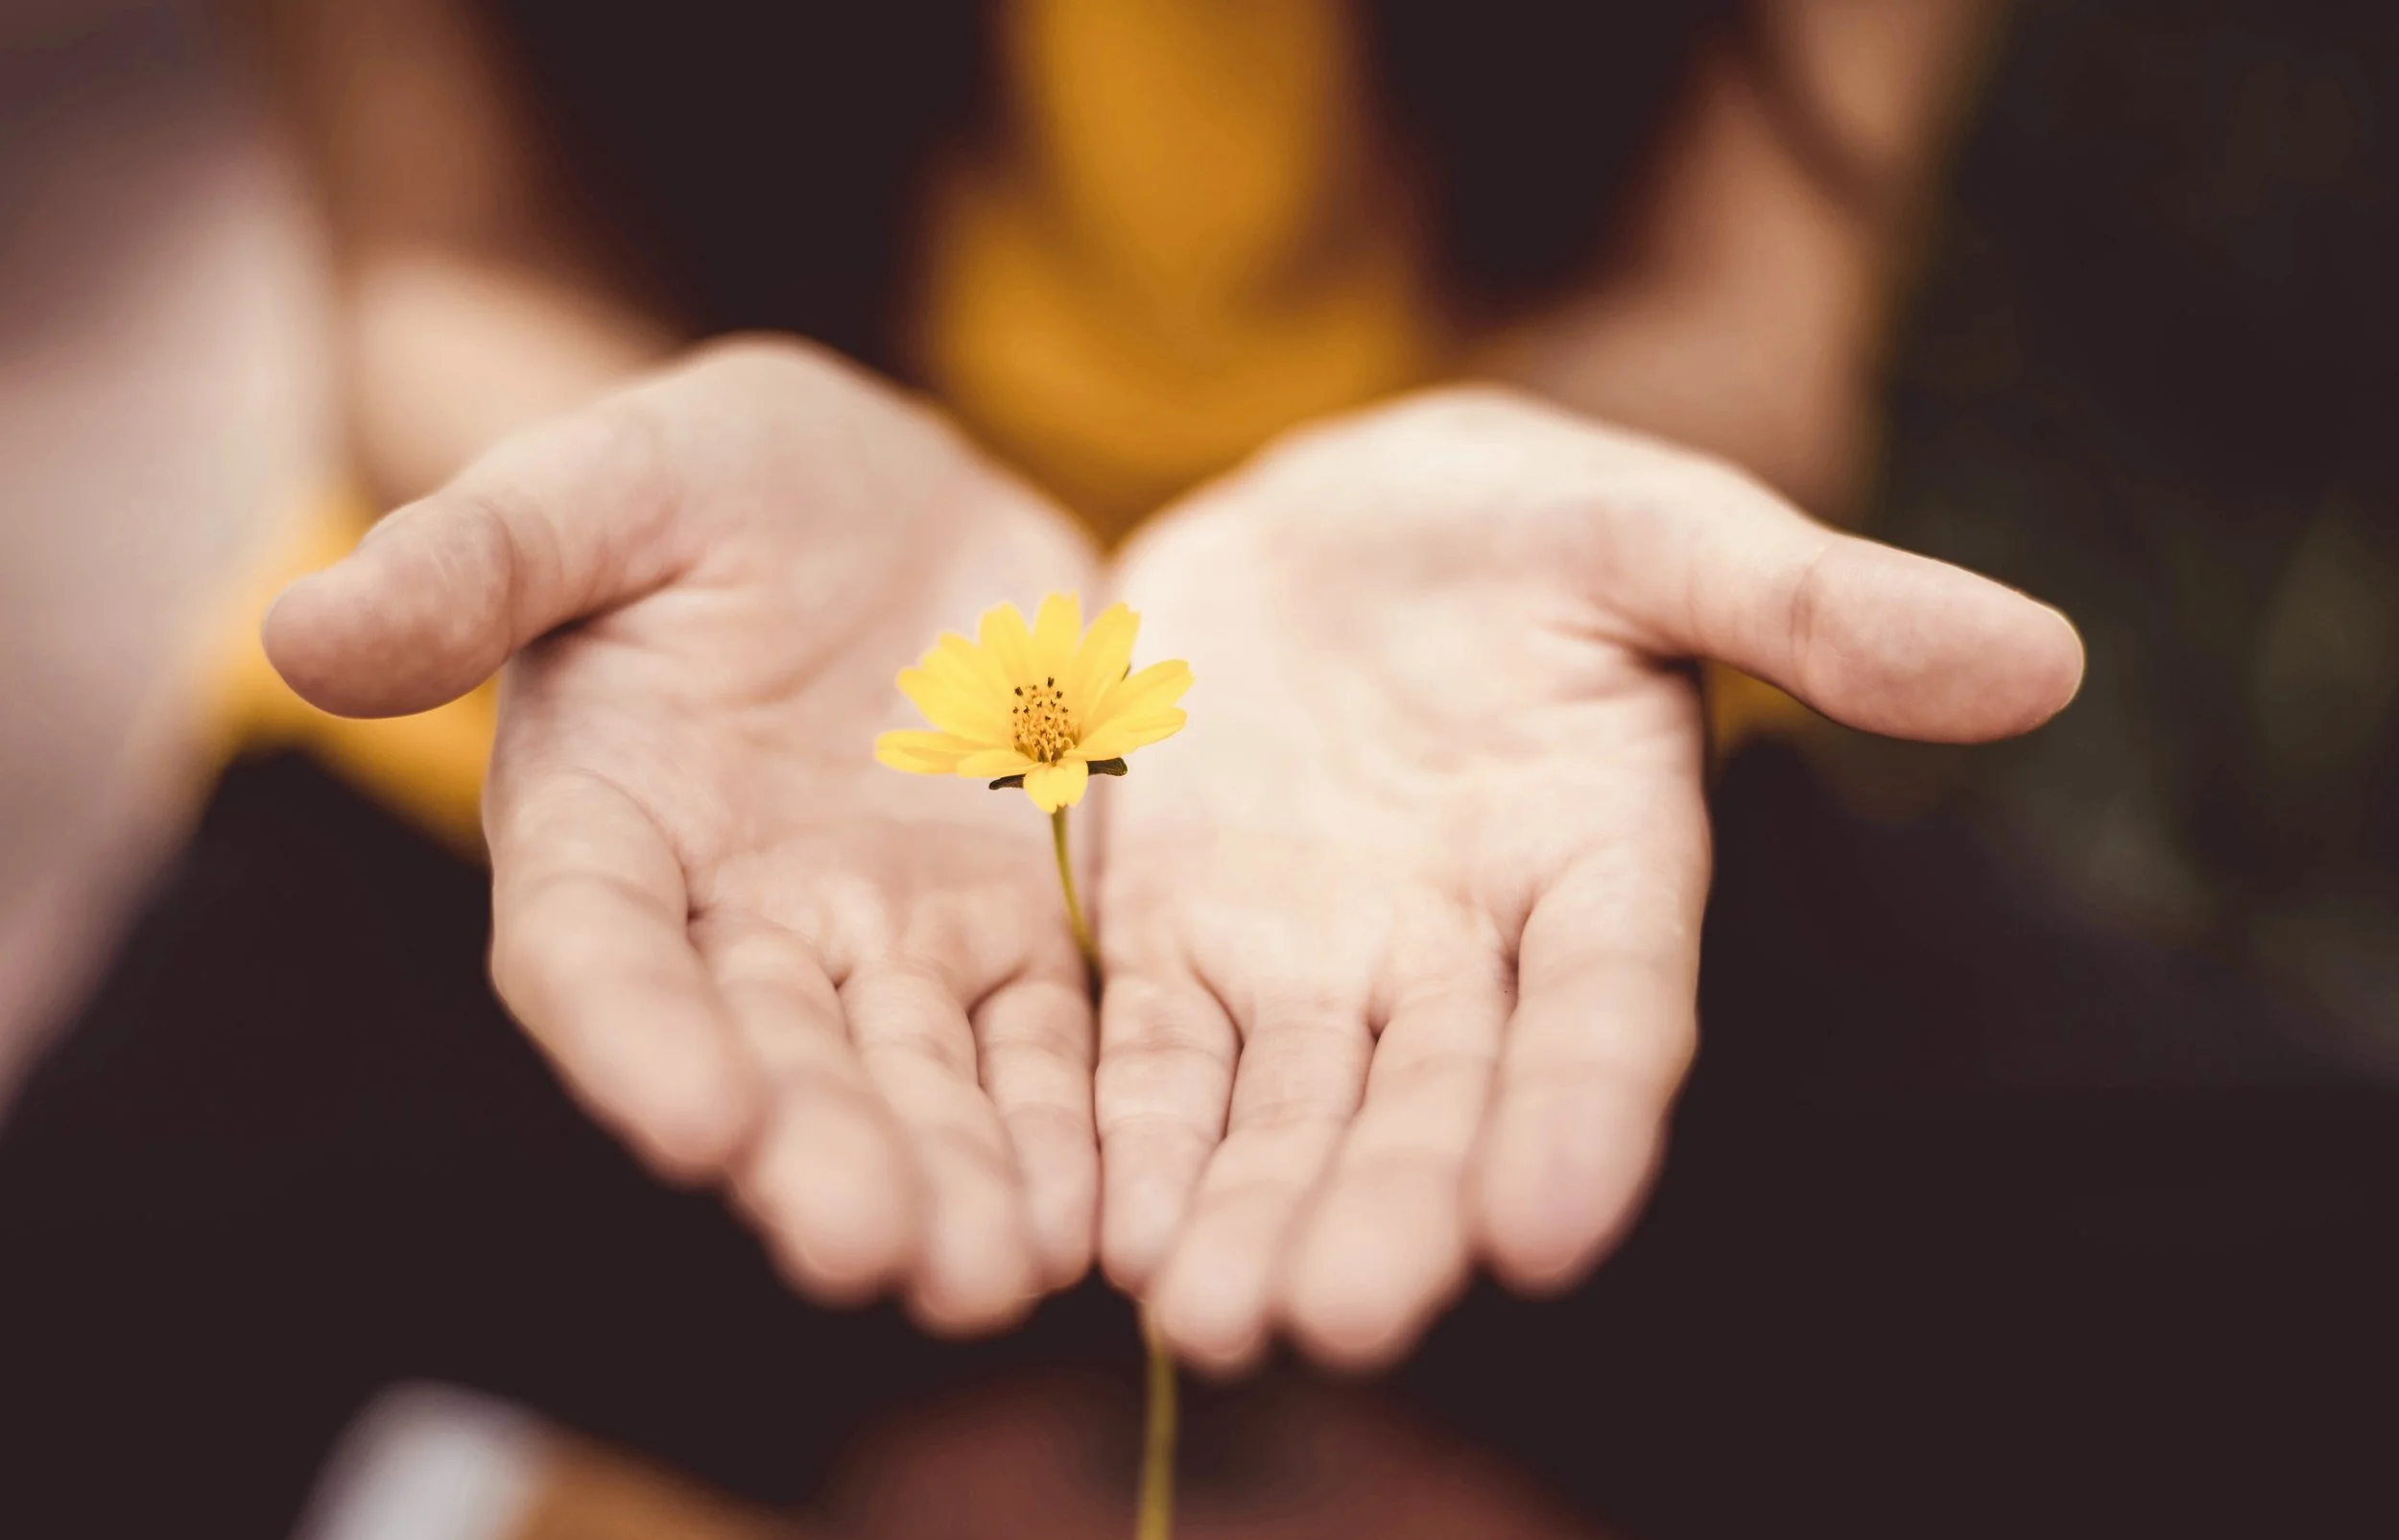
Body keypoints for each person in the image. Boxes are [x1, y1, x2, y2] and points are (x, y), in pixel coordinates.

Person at [239, 0, 2078, 1369]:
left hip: (1496, 753)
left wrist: (1544, 484)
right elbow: (441, 255)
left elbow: (1749, 300)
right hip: (694, 742)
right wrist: (601, 482)